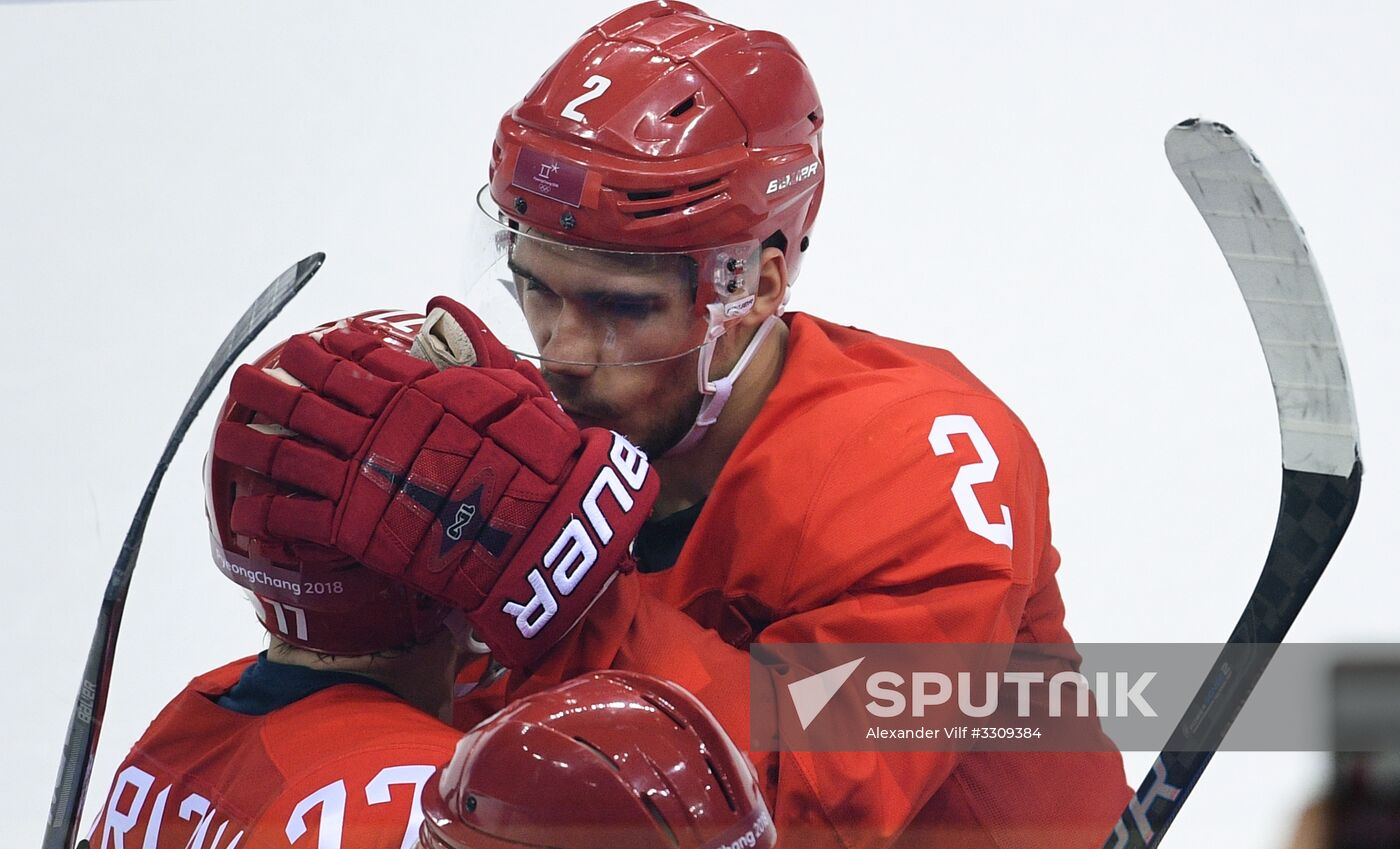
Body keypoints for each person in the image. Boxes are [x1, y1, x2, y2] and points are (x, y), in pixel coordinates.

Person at [216, 3, 1132, 847]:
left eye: (620, 307)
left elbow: (797, 803)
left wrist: (555, 577)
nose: (563, 351)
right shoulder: (525, 434)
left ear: (757, 287)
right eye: (535, 286)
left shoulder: (919, 459)